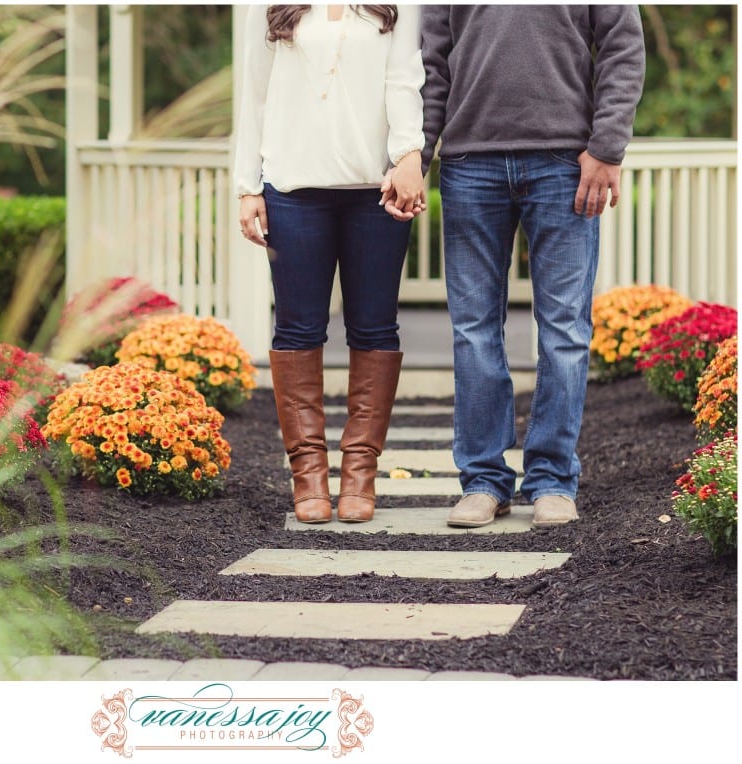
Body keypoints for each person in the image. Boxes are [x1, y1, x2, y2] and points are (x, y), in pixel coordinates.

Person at [384, 5, 645, 527]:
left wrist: (607, 146)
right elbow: (433, 65)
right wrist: (417, 153)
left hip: (565, 164)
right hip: (468, 165)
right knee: (474, 329)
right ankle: (483, 480)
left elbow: (623, 48)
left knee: (564, 329)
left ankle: (551, 481)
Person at [234, 4, 426, 523]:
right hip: (294, 189)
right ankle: (310, 478)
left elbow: (405, 79)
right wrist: (248, 186)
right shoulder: (270, 7)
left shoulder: (396, 6)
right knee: (297, 330)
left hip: (376, 190)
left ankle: (360, 476)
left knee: (374, 328)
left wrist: (409, 155)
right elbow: (252, 94)